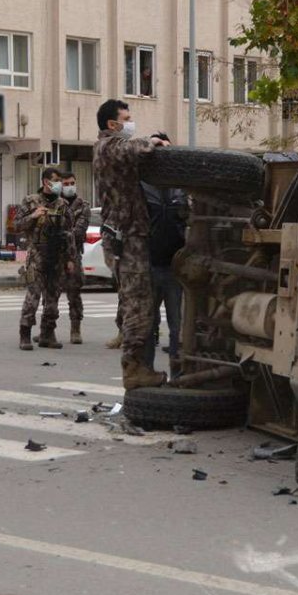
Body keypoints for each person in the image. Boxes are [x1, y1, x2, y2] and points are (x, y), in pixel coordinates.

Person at [92, 98, 171, 389]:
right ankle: (134, 369)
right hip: (127, 236)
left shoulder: (111, 149)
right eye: (127, 117)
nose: (130, 121)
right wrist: (151, 141)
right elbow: (133, 147)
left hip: (128, 234)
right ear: (113, 124)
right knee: (139, 304)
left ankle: (137, 367)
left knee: (137, 301)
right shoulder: (108, 146)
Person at [14, 168, 78, 350]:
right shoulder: (31, 201)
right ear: (45, 182)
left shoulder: (63, 204)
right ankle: (25, 334)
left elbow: (69, 233)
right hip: (37, 256)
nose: (59, 184)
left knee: (53, 298)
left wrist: (70, 258)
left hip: (57, 256)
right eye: (56, 180)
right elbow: (16, 225)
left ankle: (47, 333)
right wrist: (32, 216)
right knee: (33, 296)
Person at [142, 178, 187, 376]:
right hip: (149, 266)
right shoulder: (142, 188)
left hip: (174, 268)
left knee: (177, 324)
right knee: (148, 324)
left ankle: (177, 372)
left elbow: (188, 222)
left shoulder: (180, 191)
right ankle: (147, 370)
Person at [60, 171, 89, 343]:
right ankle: (47, 329)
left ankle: (75, 329)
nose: (69, 186)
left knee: (74, 293)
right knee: (50, 294)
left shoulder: (82, 206)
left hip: (73, 254)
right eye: (65, 184)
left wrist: (59, 233)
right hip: (54, 255)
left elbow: (79, 232)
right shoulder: (54, 203)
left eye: (72, 183)